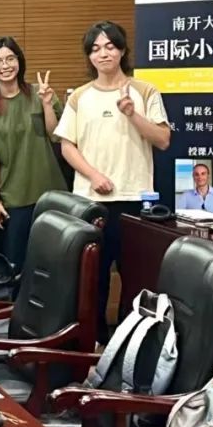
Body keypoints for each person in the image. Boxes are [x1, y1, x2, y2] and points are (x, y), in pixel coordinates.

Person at [55, 20, 170, 340]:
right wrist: (94, 175)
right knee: (92, 277)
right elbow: (67, 146)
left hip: (135, 199)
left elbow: (163, 139)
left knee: (136, 278)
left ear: (122, 50)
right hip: (91, 201)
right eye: (95, 49)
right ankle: (93, 343)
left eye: (109, 46)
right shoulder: (79, 96)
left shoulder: (145, 90)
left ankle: (130, 344)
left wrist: (132, 113)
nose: (102, 54)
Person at [0, 38, 66, 269]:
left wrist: (47, 104)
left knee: (54, 264)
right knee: (18, 264)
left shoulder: (39, 94)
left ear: (19, 61)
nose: (5, 66)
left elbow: (55, 135)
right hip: (14, 197)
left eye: (10, 59)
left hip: (51, 193)